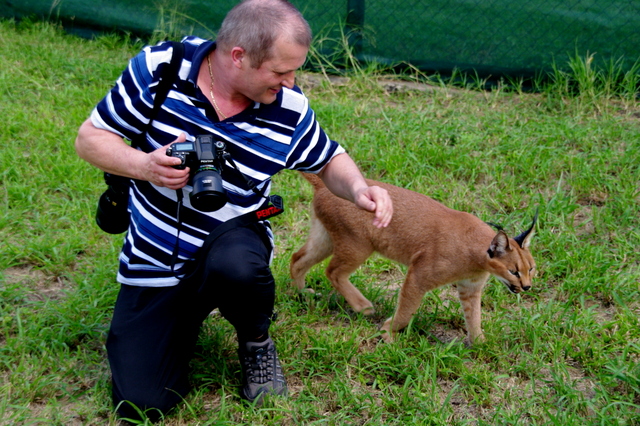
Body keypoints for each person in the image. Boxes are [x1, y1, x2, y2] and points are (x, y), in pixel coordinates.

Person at [75, 0, 393, 421]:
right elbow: (90, 138)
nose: (290, 81)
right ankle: (181, 315)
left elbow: (327, 158)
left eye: (294, 70)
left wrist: (359, 189)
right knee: (143, 404)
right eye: (280, 72)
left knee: (238, 265)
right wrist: (144, 166)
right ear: (238, 56)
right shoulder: (161, 69)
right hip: (155, 255)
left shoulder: (287, 106)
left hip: (233, 235)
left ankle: (255, 340)